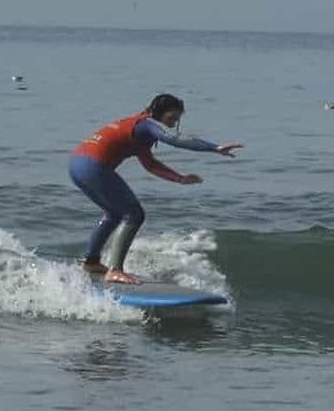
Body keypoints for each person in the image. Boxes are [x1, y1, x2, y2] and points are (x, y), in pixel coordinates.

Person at [69, 93, 243, 284]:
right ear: (157, 113)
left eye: (176, 119)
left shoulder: (137, 129)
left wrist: (180, 179)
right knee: (134, 215)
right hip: (93, 166)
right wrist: (215, 148)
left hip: (77, 164)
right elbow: (174, 139)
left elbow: (150, 165)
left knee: (114, 214)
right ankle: (115, 270)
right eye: (170, 118)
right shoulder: (145, 125)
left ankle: (91, 262)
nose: (173, 123)